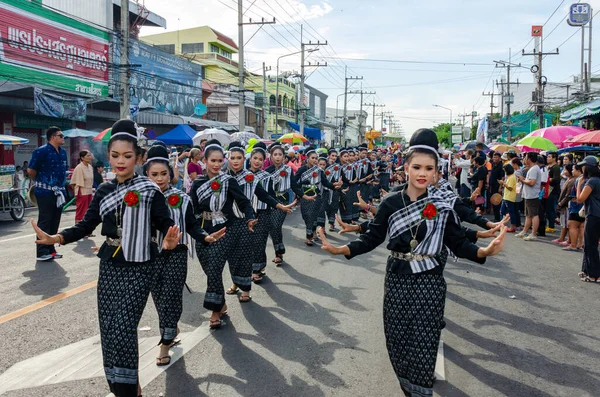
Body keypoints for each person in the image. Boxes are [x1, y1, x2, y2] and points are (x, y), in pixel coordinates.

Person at [318, 128, 506, 397]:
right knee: (397, 342)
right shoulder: (391, 202)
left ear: (436, 171)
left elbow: (458, 243)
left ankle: (420, 391)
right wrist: (342, 250)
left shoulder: (442, 203)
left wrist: (483, 251)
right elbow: (373, 237)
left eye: (429, 168)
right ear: (405, 167)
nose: (422, 172)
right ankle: (410, 387)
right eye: (416, 166)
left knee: (424, 342)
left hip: (430, 280)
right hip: (397, 277)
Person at [31, 119, 182, 397]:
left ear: (139, 158)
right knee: (110, 329)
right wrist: (57, 238)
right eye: (115, 156)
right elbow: (86, 226)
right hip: (110, 266)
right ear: (108, 157)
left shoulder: (149, 190)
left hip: (140, 266)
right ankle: (127, 386)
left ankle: (127, 391)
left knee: (124, 327)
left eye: (127, 156)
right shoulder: (104, 190)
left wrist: (170, 241)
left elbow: (165, 223)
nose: (120, 161)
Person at [144, 145, 225, 366]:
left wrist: (205, 236)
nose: (159, 179)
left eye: (163, 174)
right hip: (150, 255)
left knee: (171, 296)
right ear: (146, 175)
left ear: (170, 175)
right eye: (154, 175)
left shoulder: (182, 198)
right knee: (159, 298)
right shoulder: (139, 199)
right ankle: (170, 326)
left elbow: (191, 225)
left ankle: (164, 344)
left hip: (177, 254)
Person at [189, 140, 256, 329]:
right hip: (203, 231)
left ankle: (215, 311)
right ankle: (221, 303)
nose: (217, 164)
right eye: (213, 161)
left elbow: (244, 202)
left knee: (215, 268)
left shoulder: (228, 181)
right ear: (205, 161)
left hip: (224, 230)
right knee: (210, 270)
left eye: (220, 161)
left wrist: (250, 217)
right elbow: (192, 210)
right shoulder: (197, 184)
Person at [28, 126, 68, 261]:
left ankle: (51, 249)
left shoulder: (62, 152)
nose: (63, 138)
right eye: (61, 135)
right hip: (45, 191)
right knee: (45, 220)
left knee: (55, 220)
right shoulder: (41, 151)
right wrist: (42, 183)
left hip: (59, 191)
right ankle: (41, 251)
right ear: (52, 137)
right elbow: (31, 170)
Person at [294, 147, 341, 246]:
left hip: (316, 196)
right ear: (307, 158)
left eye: (316, 158)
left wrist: (334, 186)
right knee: (306, 216)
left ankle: (309, 236)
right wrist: (300, 192)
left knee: (312, 215)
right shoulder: (301, 170)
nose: (315, 160)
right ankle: (312, 231)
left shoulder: (319, 170)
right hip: (305, 196)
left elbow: (325, 183)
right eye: (313, 158)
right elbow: (294, 183)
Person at [266, 142, 299, 264]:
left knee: (276, 225)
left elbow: (294, 185)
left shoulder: (289, 170)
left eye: (280, 154)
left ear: (284, 157)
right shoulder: (267, 171)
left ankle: (279, 253)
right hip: (271, 202)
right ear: (271, 156)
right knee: (271, 227)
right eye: (275, 154)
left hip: (284, 201)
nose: (278, 157)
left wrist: (303, 195)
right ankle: (278, 250)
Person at [573, 156, 600, 282]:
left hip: (593, 215)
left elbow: (580, 199)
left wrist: (579, 184)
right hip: (596, 214)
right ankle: (586, 270)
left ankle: (594, 275)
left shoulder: (591, 181)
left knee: (590, 245)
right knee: (588, 244)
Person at [516, 152, 542, 241]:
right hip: (529, 195)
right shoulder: (532, 168)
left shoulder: (534, 169)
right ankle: (525, 231)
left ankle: (533, 233)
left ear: (529, 159)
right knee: (528, 215)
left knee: (534, 215)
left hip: (532, 195)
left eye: (526, 157)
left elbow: (532, 182)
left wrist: (523, 180)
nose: (524, 159)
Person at [563, 164, 584, 252]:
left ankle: (573, 245)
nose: (572, 171)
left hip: (576, 206)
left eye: (573, 169)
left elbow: (577, 195)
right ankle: (579, 244)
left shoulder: (579, 180)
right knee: (581, 226)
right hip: (583, 207)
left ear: (578, 170)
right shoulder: (587, 179)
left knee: (572, 225)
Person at [71, 150, 95, 227]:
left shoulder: (90, 167)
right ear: (82, 158)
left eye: (90, 155)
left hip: (89, 191)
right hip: (82, 191)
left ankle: (87, 230)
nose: (89, 157)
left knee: (89, 212)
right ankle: (77, 230)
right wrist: (77, 192)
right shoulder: (79, 168)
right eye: (88, 156)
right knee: (80, 211)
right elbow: (73, 182)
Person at [499, 164, 518, 232]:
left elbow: (510, 188)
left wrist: (503, 183)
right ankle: (502, 225)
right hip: (507, 196)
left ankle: (512, 226)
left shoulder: (512, 177)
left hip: (509, 197)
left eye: (505, 171)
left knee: (510, 212)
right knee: (503, 211)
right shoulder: (510, 177)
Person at [546, 152, 561, 233]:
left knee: (550, 209)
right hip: (548, 190)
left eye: (549, 157)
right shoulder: (549, 167)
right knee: (548, 209)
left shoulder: (556, 167)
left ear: (554, 158)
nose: (547, 158)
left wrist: (547, 179)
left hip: (553, 191)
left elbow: (556, 179)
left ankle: (551, 226)